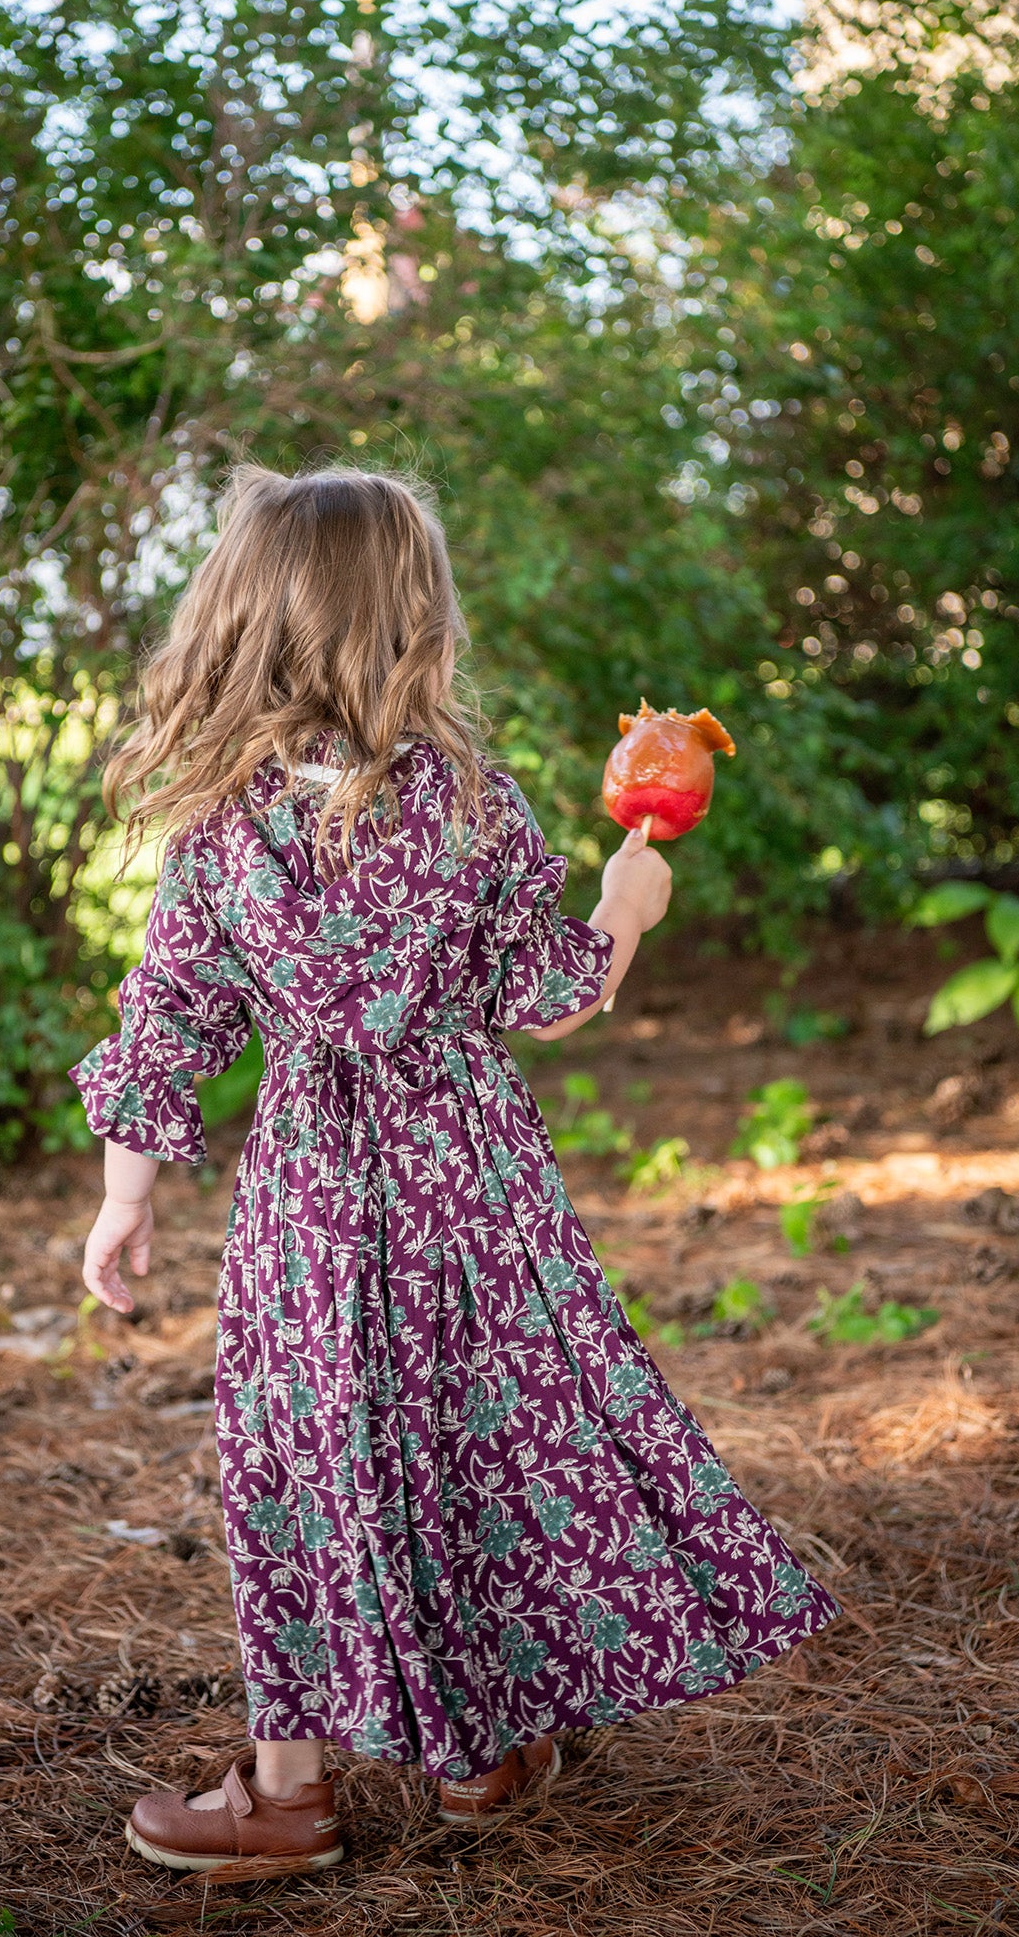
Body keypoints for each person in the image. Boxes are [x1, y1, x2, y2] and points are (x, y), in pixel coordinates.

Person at [73, 465, 839, 1874]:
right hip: (467, 1180)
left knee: (310, 1461)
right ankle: (483, 1749)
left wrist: (124, 1203)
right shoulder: (463, 802)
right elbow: (549, 991)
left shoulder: (218, 825)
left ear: (248, 621)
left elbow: (165, 1023)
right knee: (481, 1435)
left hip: (307, 1194)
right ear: (411, 623)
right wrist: (625, 896)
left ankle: (288, 1791)